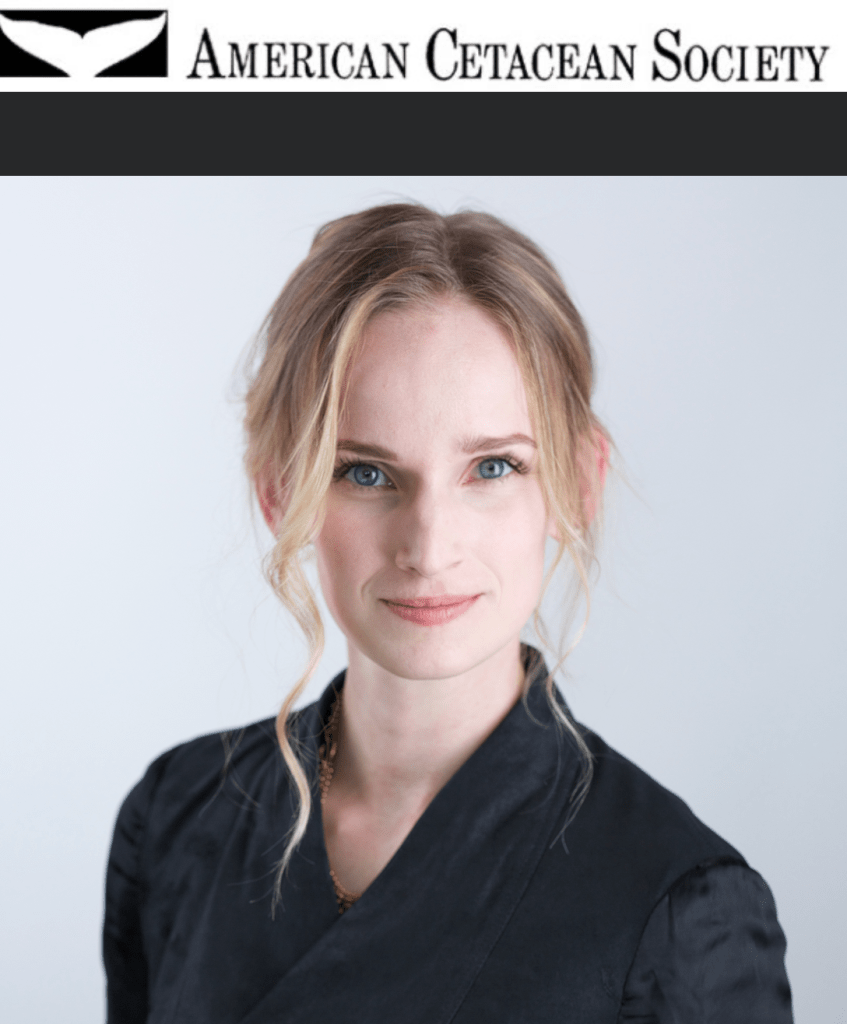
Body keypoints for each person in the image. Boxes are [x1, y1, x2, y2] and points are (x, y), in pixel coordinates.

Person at [103, 203, 793, 1023]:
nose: (427, 547)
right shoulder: (181, 816)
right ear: (280, 491)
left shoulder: (678, 905)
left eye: (492, 466)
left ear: (577, 482)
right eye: (364, 473)